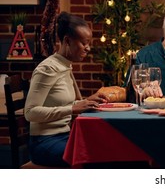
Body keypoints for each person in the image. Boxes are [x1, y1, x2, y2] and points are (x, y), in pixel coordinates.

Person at [24, 12, 108, 167]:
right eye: (84, 43)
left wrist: (87, 101)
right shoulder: (47, 68)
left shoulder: (65, 65)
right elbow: (30, 113)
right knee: (95, 159)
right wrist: (73, 108)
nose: (88, 48)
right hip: (44, 142)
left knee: (108, 150)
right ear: (67, 41)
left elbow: (62, 102)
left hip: (65, 136)